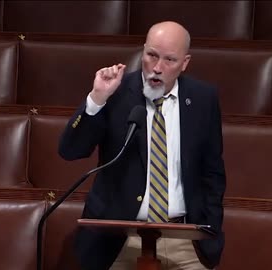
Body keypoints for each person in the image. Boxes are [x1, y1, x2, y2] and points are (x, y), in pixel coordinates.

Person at [58, 21, 226, 270]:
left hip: (185, 240)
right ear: (143, 51)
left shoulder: (203, 99)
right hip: (118, 240)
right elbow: (70, 150)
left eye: (169, 60)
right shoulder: (115, 91)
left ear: (185, 63)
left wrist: (210, 229)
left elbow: (213, 172)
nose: (157, 68)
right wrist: (96, 99)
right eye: (151, 55)